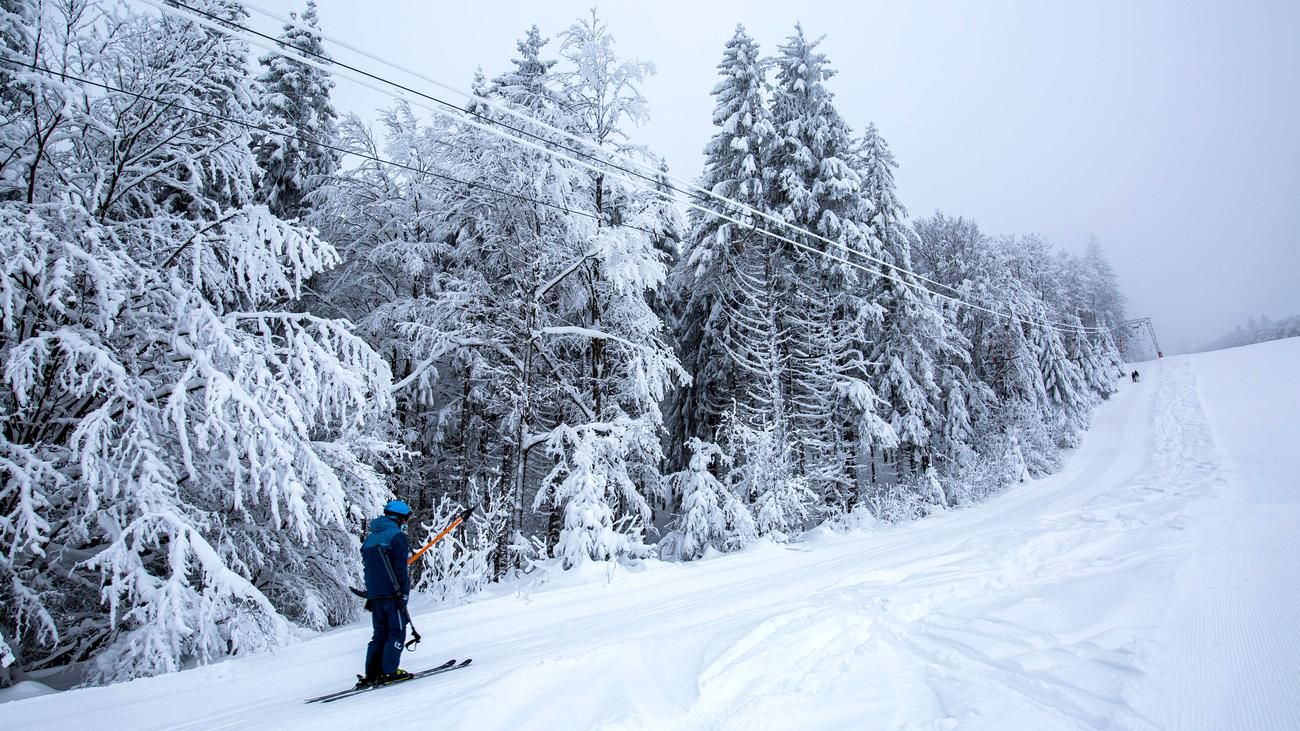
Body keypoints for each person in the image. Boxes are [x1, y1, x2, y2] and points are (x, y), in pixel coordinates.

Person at [359, 499, 414, 687]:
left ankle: (372, 673)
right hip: (393, 593)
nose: (406, 523)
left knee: (379, 634)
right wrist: (404, 593)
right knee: (396, 631)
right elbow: (400, 569)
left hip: (375, 594)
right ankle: (389, 672)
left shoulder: (370, 539)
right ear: (400, 518)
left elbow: (369, 568)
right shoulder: (396, 536)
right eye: (406, 519)